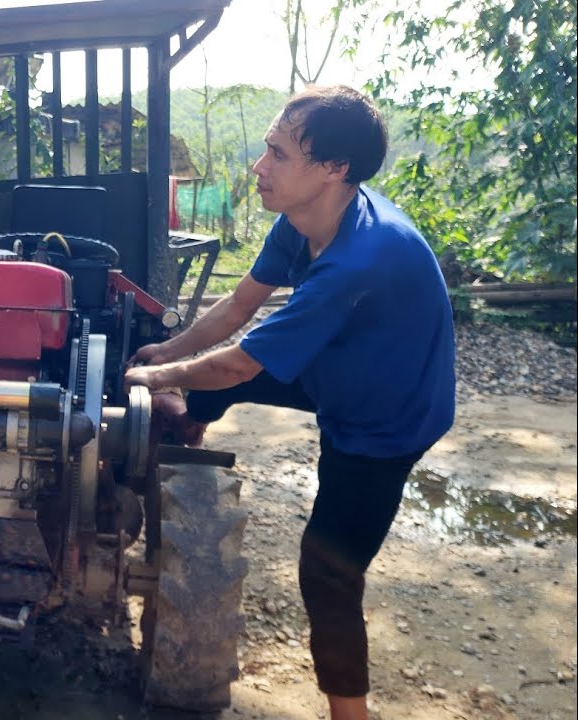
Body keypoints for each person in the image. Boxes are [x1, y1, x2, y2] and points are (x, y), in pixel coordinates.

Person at [125, 85, 455, 720]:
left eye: (277, 153)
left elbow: (244, 359)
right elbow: (239, 306)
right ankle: (191, 426)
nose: (259, 166)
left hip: (385, 419)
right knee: (218, 378)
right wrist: (169, 353)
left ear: (334, 169)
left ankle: (349, 715)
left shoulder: (361, 256)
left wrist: (154, 384)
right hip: (340, 365)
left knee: (328, 571)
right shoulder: (300, 222)